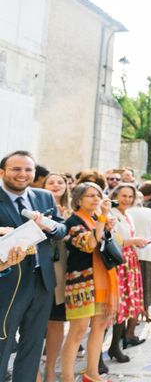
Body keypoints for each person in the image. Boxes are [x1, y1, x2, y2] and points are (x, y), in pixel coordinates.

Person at [0, 151, 67, 381]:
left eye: (28, 169)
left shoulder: (44, 197)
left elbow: (62, 229)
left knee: (33, 344)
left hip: (42, 281)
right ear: (2, 173)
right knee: (3, 344)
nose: (23, 174)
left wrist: (48, 226)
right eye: (16, 169)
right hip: (7, 282)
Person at [60, 182, 119, 382]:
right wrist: (102, 219)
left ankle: (92, 374)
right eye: (90, 196)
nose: (95, 199)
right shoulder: (73, 221)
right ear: (78, 200)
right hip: (81, 284)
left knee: (100, 327)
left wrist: (105, 224)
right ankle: (67, 377)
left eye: (98, 195)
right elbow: (89, 245)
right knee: (77, 331)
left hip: (102, 281)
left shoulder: (96, 219)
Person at [109, 183, 147, 361]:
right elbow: (114, 241)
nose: (127, 199)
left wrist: (137, 242)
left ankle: (115, 346)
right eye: (123, 195)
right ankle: (111, 348)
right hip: (118, 261)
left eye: (130, 196)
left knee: (125, 306)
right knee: (115, 307)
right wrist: (134, 240)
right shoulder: (111, 214)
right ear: (116, 195)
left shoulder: (128, 215)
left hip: (129, 260)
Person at [41, 173, 74, 382]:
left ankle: (51, 369)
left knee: (56, 323)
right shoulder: (38, 207)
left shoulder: (73, 211)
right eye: (51, 182)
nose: (55, 185)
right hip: (40, 271)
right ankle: (33, 371)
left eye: (60, 182)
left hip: (63, 273)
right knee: (35, 325)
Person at [127, 192, 151, 322]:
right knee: (147, 284)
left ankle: (132, 316)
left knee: (130, 286)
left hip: (127, 253)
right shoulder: (150, 212)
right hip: (147, 252)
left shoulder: (122, 212)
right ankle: (145, 311)